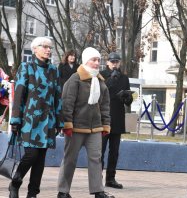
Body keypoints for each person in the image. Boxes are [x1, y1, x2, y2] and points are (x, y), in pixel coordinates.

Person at [9, 36, 64, 198]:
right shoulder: (26, 67)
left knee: (40, 160)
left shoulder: (54, 70)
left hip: (48, 121)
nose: (48, 50)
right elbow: (19, 95)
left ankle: (33, 193)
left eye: (50, 47)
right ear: (35, 49)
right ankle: (15, 182)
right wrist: (15, 119)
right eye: (44, 46)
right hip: (29, 120)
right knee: (31, 155)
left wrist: (60, 120)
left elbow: (57, 97)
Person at [57, 47, 114, 198]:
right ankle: (63, 191)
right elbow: (67, 102)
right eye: (94, 60)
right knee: (70, 159)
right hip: (76, 128)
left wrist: (106, 124)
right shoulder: (75, 79)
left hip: (95, 128)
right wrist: (67, 124)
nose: (97, 63)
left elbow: (105, 106)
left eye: (98, 60)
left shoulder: (101, 81)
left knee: (96, 159)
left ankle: (98, 191)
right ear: (86, 61)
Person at [100, 52, 133, 189]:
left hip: (118, 117)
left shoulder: (124, 78)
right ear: (107, 62)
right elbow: (100, 93)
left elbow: (129, 100)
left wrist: (127, 98)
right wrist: (110, 80)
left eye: (117, 62)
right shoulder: (101, 75)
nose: (114, 64)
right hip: (104, 117)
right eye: (112, 62)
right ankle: (97, 179)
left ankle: (110, 179)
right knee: (100, 151)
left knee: (114, 151)